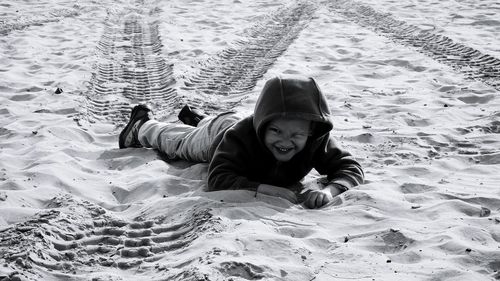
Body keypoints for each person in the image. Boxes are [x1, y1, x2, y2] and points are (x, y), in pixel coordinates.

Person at [119, 75, 364, 208]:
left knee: (211, 125)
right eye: (276, 131)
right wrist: (267, 189)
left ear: (311, 131)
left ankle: (199, 119)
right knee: (181, 145)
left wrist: (329, 192)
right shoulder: (239, 138)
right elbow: (217, 178)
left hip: (235, 120)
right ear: (263, 125)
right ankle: (143, 125)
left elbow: (350, 167)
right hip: (221, 134)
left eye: (296, 135)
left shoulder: (315, 140)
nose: (285, 141)